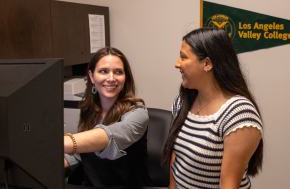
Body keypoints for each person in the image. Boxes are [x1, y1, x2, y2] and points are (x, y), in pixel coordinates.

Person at [161, 27, 263, 189]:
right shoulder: (182, 101)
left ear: (207, 64)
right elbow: (176, 160)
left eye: (183, 57)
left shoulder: (239, 114)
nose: (177, 64)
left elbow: (227, 185)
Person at [64, 47, 153, 187]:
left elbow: (109, 137)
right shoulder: (89, 110)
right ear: (92, 76)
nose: (111, 78)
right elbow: (83, 150)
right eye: (103, 71)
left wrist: (57, 144)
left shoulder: (138, 113)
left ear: (125, 78)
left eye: (118, 72)